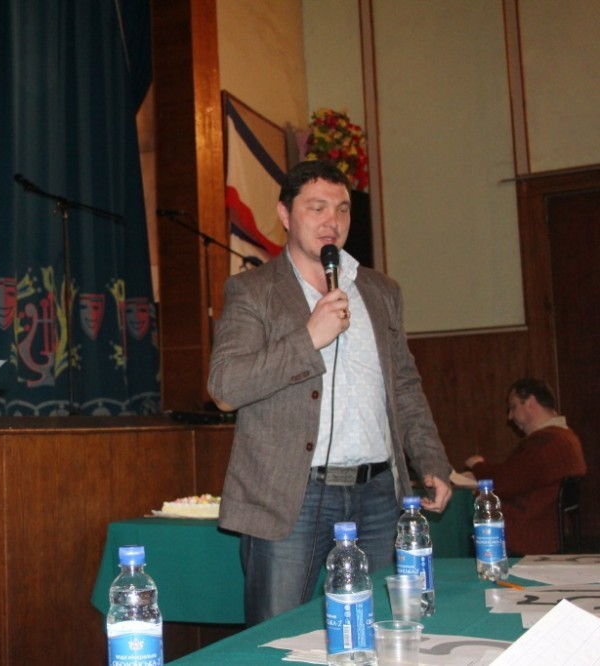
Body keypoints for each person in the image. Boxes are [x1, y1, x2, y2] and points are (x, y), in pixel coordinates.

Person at [207, 159, 453, 625]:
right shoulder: (252, 291)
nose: (332, 221)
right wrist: (309, 337)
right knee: (277, 638)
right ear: (285, 214)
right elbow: (225, 388)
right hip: (291, 497)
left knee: (379, 628)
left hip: (378, 494)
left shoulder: (380, 291)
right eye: (316, 207)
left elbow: (404, 385)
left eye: (341, 209)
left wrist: (431, 461)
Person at [464, 378, 586, 555]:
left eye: (513, 407)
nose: (510, 416)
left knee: (465, 517)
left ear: (530, 402)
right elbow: (518, 475)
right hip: (547, 530)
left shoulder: (545, 442)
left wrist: (477, 465)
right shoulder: (566, 438)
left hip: (527, 533)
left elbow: (503, 483)